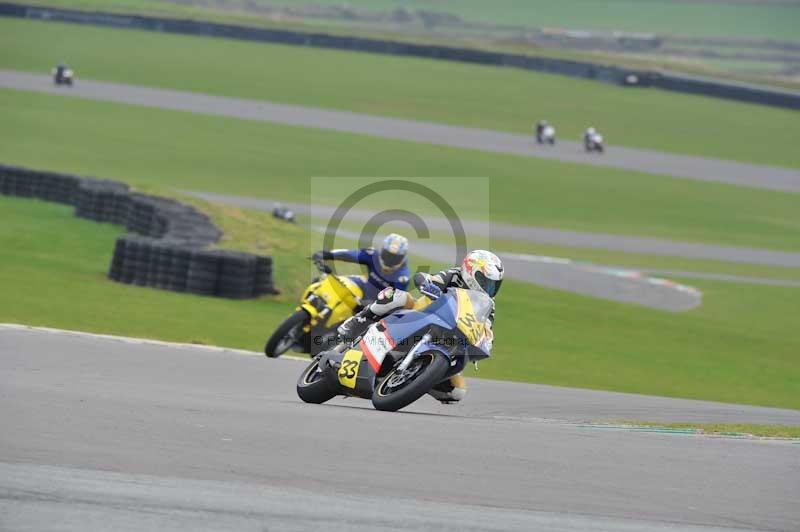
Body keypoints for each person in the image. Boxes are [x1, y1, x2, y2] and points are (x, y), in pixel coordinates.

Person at [337, 250, 504, 404]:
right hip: (421, 314)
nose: (488, 288)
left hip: (450, 339)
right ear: (470, 271)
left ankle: (418, 378)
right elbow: (430, 279)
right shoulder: (454, 275)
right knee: (398, 297)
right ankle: (360, 320)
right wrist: (427, 283)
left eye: (493, 285)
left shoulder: (488, 304)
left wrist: (486, 340)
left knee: (457, 391)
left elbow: (486, 326)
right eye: (485, 281)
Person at [311, 233, 410, 302]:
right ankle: (316, 289)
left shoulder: (402, 278)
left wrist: (372, 306)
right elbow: (350, 254)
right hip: (363, 286)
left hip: (375, 306)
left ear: (403, 258)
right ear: (382, 250)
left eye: (394, 258)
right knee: (334, 281)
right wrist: (327, 255)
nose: (389, 259)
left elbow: (393, 300)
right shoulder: (373, 255)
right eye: (387, 255)